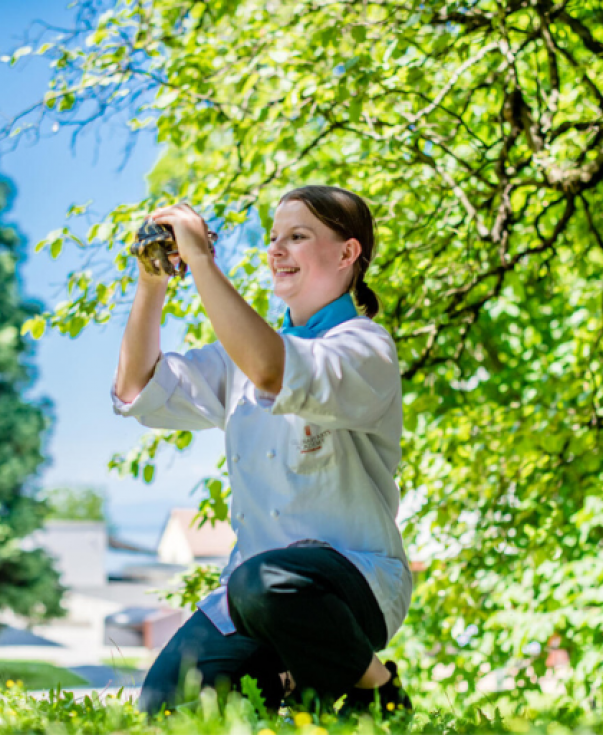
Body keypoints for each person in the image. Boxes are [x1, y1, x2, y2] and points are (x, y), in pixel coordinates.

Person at [111, 185, 413, 717]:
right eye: (273, 238)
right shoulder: (239, 362)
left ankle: (375, 687)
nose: (276, 250)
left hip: (352, 583)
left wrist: (202, 259)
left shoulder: (365, 346)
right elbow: (137, 388)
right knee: (163, 703)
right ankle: (296, 685)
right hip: (252, 595)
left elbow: (273, 368)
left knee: (266, 580)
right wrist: (153, 281)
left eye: (297, 237)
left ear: (349, 254)